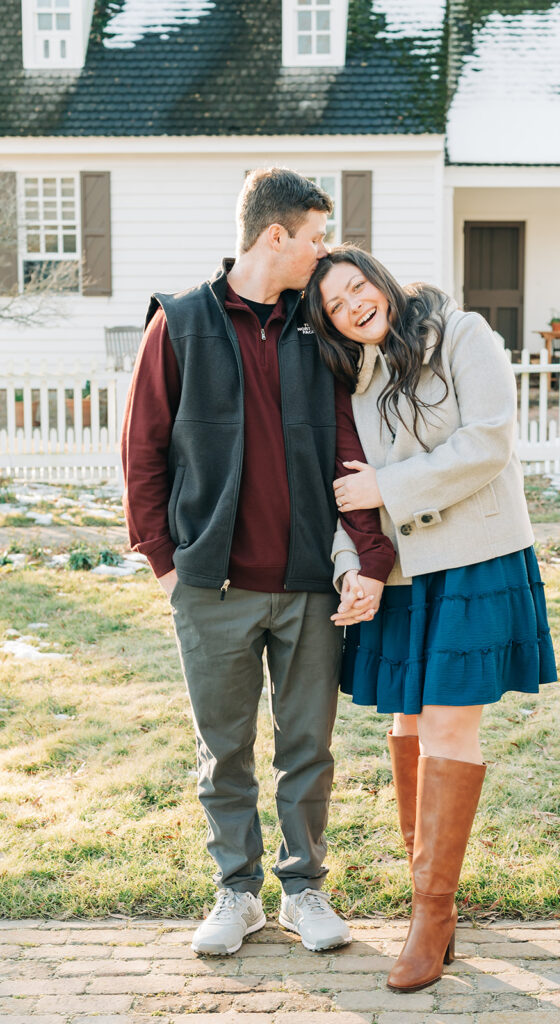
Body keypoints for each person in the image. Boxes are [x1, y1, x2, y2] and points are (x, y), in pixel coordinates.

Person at [121, 170, 394, 957]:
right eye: (315, 237)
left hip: (311, 586)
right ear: (275, 236)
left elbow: (349, 447)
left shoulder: (322, 329)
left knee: (309, 746)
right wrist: (167, 566)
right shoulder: (178, 324)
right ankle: (236, 892)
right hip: (213, 587)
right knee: (226, 751)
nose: (325, 251)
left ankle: (305, 888)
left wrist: (364, 556)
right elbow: (142, 452)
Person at [304, 246, 557, 992]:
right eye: (336, 305)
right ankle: (427, 905)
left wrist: (391, 483)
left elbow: (488, 441)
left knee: (449, 726)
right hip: (407, 574)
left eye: (357, 288)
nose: (352, 306)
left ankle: (433, 915)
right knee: (406, 728)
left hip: (477, 557)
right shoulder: (357, 377)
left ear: (381, 281)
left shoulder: (463, 334)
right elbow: (347, 496)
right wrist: (356, 566)